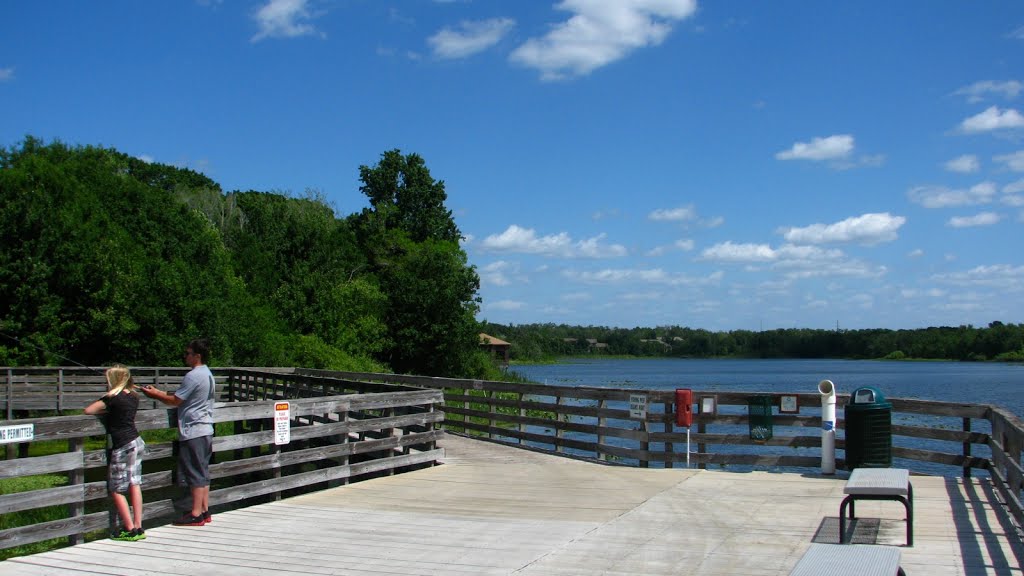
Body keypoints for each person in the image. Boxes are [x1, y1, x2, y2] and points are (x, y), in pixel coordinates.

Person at [141, 338, 215, 526]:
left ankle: (196, 513)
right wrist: (158, 392)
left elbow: (175, 400)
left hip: (194, 430)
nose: (185, 356)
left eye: (188, 353)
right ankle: (205, 510)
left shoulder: (194, 375)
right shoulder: (207, 373)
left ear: (197, 356)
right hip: (205, 429)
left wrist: (154, 394)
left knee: (195, 473)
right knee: (202, 471)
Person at [85, 364, 146, 541]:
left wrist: (107, 408)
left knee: (116, 488)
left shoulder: (111, 398)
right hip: (136, 441)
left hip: (122, 444)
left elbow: (89, 410)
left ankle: (129, 528)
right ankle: (139, 526)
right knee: (135, 483)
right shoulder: (134, 397)